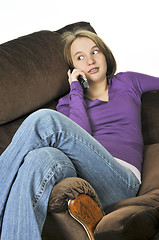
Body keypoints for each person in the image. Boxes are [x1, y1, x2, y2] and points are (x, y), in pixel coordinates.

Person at [0, 28, 159, 240]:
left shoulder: (127, 81)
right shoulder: (67, 102)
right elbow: (81, 136)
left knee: (45, 120)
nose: (90, 60)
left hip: (121, 180)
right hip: (84, 176)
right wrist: (76, 89)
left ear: (105, 55)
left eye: (95, 52)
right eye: (80, 57)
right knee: (39, 158)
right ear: (73, 68)